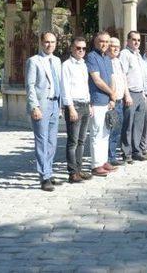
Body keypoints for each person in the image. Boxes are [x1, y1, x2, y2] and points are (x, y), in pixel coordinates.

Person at [26, 32, 63, 191]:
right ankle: (44, 176)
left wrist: (60, 106)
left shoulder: (57, 60)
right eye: (47, 42)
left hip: (55, 104)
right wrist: (34, 106)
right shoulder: (34, 61)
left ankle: (48, 170)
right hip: (41, 106)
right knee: (42, 141)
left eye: (53, 42)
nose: (50, 45)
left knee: (52, 142)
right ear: (41, 43)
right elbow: (30, 86)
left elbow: (59, 84)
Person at [60, 36, 93, 184]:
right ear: (72, 48)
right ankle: (72, 173)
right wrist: (70, 107)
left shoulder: (83, 65)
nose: (81, 51)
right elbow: (65, 88)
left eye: (83, 48)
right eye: (78, 48)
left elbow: (85, 86)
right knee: (72, 141)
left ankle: (79, 169)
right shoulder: (67, 65)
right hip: (74, 106)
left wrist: (89, 104)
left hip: (85, 104)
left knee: (82, 140)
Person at [85, 32, 118, 176]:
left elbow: (112, 78)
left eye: (106, 42)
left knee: (106, 133)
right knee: (96, 133)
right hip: (97, 100)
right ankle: (96, 165)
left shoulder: (107, 58)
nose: (104, 44)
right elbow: (97, 80)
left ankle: (104, 161)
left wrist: (112, 97)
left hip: (107, 101)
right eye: (101, 41)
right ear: (95, 42)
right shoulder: (92, 57)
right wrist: (111, 93)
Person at [119, 31, 147, 163]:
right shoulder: (125, 54)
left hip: (140, 93)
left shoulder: (138, 55)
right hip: (130, 93)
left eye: (138, 40)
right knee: (128, 125)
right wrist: (127, 95)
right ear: (128, 40)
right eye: (134, 40)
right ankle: (127, 153)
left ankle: (136, 150)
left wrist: (143, 93)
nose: (137, 42)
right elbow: (123, 75)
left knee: (138, 124)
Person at [107, 37, 129, 166]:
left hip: (120, 100)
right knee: (110, 130)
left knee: (117, 130)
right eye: (113, 46)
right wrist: (112, 98)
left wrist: (127, 95)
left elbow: (123, 80)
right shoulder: (106, 62)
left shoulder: (118, 62)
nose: (115, 48)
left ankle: (112, 156)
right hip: (112, 101)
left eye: (118, 46)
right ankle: (108, 157)